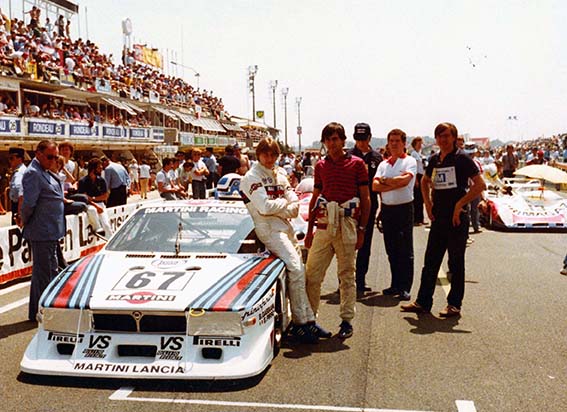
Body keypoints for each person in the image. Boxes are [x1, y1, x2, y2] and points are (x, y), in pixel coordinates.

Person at [240, 137, 321, 344]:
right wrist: (286, 205)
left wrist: (284, 205)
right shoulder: (251, 177)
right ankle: (300, 323)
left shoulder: (280, 174)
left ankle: (308, 319)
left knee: (300, 271)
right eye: (266, 154)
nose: (270, 158)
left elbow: (294, 201)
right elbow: (264, 208)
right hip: (268, 230)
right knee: (296, 267)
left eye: (274, 154)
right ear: (258, 154)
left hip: (285, 226)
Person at [402, 122, 486, 317]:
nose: (443, 139)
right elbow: (424, 181)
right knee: (430, 261)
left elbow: (479, 185)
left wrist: (460, 204)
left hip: (457, 218)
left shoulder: (463, 159)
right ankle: (423, 302)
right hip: (438, 217)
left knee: (455, 262)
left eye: (447, 136)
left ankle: (454, 304)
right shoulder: (434, 159)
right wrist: (427, 205)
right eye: (439, 136)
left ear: (454, 138)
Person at [305, 122, 370, 339]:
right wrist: (308, 231)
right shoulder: (321, 166)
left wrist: (362, 229)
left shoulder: (357, 164)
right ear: (324, 142)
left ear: (343, 140)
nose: (332, 143)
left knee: (346, 275)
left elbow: (365, 198)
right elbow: (315, 197)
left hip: (347, 222)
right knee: (312, 274)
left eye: (336, 139)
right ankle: (310, 318)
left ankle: (346, 320)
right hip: (324, 223)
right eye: (328, 139)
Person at [21, 140, 65, 322]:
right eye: (50, 157)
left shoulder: (46, 171)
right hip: (42, 230)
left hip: (51, 230)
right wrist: (26, 221)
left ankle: (38, 312)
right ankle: (43, 313)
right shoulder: (33, 173)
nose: (53, 160)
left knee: (48, 272)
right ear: (38, 154)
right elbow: (28, 204)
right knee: (44, 274)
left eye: (55, 157)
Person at [374, 129, 417, 301]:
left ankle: (405, 286)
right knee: (391, 249)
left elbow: (405, 181)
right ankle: (395, 284)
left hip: (404, 209)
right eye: (391, 140)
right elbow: (375, 186)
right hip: (387, 210)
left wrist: (385, 181)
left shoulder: (410, 161)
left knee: (405, 250)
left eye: (397, 141)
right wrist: (393, 183)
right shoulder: (383, 165)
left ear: (404, 143)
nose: (394, 143)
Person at [347, 122, 382, 292]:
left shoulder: (377, 158)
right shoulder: (347, 156)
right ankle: (345, 281)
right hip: (350, 205)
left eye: (364, 139)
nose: (361, 142)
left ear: (369, 137)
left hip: (370, 204)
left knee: (365, 244)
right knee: (346, 245)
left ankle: (360, 280)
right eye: (358, 139)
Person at [77, 157, 113, 237]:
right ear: (93, 168)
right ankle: (97, 228)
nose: (101, 169)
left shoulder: (101, 180)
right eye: (99, 168)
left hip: (100, 204)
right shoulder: (83, 181)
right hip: (89, 205)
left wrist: (93, 198)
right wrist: (95, 204)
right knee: (92, 210)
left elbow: (105, 196)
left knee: (106, 225)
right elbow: (84, 198)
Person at [409, 137, 425, 225]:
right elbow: (414, 168)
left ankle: (421, 218)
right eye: (418, 144)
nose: (420, 145)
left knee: (421, 198)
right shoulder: (414, 154)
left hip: (422, 175)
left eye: (421, 144)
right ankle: (416, 219)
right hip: (417, 176)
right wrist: (415, 180)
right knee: (417, 199)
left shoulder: (420, 153)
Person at [8, 147, 26, 225]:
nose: (10, 161)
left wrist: (19, 212)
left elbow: (19, 192)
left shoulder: (20, 172)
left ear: (20, 159)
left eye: (12, 158)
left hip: (18, 206)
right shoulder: (18, 171)